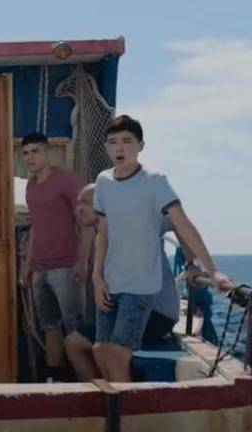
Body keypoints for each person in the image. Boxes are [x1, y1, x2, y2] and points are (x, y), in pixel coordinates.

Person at [91, 115, 232, 382]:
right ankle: (116, 401)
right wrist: (96, 277)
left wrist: (212, 271)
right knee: (100, 350)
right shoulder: (103, 182)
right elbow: (102, 233)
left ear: (140, 146)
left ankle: (123, 407)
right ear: (106, 147)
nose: (119, 148)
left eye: (127, 141)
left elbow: (183, 225)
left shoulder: (154, 180)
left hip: (141, 284)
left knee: (119, 353)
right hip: (110, 282)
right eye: (113, 142)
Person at [65, 184, 186, 381]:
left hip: (155, 312)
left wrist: (192, 264)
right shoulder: (103, 234)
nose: (78, 209)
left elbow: (174, 222)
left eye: (85, 203)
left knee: (108, 351)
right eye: (78, 203)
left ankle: (121, 396)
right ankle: (105, 394)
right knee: (76, 343)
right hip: (125, 308)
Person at [21, 132, 91, 380]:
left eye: (35, 151)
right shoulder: (30, 187)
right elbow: (36, 227)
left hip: (66, 267)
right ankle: (55, 380)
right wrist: (28, 266)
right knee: (49, 326)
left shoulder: (68, 181)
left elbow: (86, 222)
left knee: (74, 328)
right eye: (26, 153)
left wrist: (82, 261)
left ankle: (82, 381)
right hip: (40, 269)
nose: (30, 158)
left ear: (47, 152)